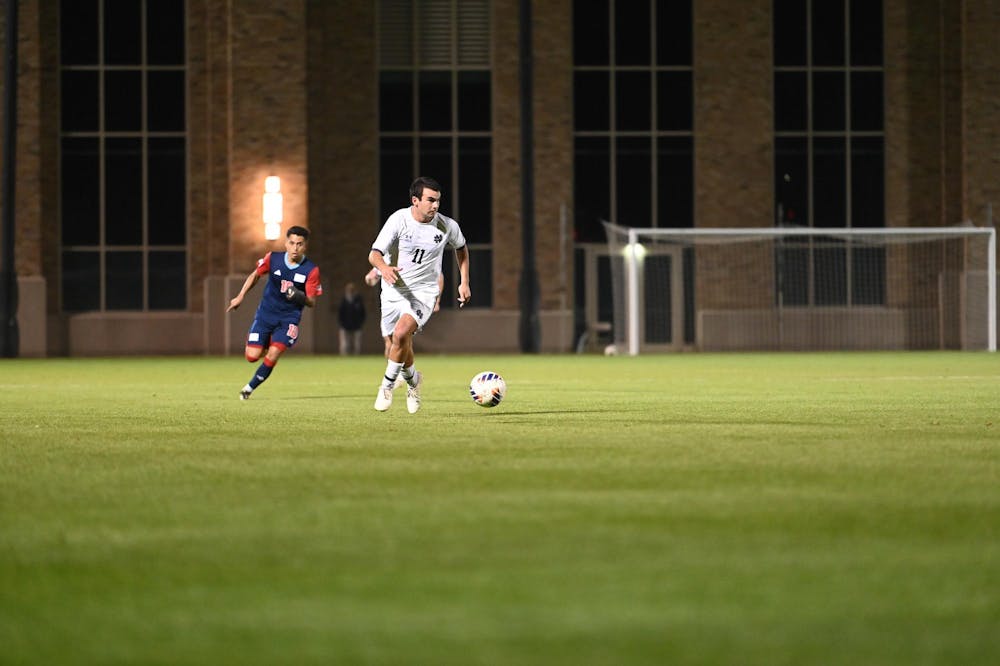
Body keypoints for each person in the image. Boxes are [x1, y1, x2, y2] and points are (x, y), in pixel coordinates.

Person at [368, 176, 470, 413]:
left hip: (424, 292)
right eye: (430, 200)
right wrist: (383, 269)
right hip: (393, 291)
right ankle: (414, 382)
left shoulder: (447, 226)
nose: (435, 206)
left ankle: (387, 386)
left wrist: (464, 282)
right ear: (415, 200)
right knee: (400, 341)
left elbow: (461, 249)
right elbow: (374, 254)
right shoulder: (398, 220)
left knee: (402, 333)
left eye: (438, 201)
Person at [227, 225, 322, 400]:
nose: (295, 248)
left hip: (288, 319)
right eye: (292, 243)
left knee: (274, 353)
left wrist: (299, 296)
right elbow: (255, 275)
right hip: (265, 315)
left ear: (305, 246)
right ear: (286, 243)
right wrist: (240, 296)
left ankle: (248, 389)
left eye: (299, 244)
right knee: (252, 356)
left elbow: (311, 302)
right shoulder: (273, 258)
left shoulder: (311, 270)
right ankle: (268, 340)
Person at [338, 281, 365, 355]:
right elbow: (340, 313)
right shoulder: (344, 300)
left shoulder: (358, 299)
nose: (351, 290)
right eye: (349, 289)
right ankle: (344, 357)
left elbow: (363, 312)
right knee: (345, 343)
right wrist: (341, 323)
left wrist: (360, 322)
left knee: (357, 343)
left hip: (357, 325)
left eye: (352, 289)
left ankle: (357, 356)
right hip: (345, 325)